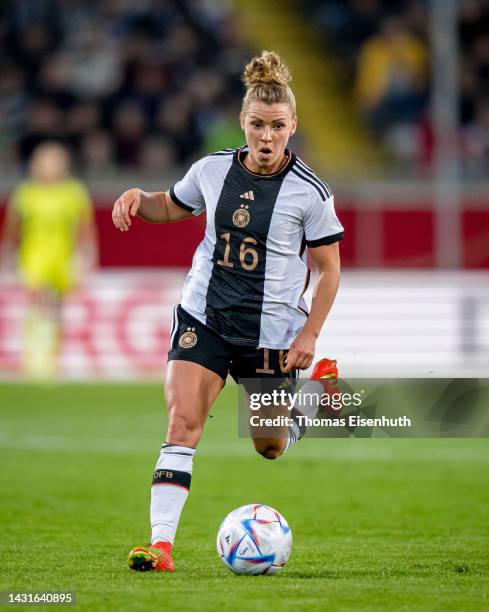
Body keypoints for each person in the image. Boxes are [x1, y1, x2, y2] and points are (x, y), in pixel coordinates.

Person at [112, 51, 343, 572]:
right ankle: (161, 545)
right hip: (205, 317)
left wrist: (309, 334)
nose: (266, 137)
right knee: (182, 424)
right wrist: (137, 197)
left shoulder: (310, 194)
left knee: (269, 446)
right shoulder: (212, 171)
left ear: (293, 127)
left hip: (271, 334)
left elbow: (329, 271)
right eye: (258, 125)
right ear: (243, 122)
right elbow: (170, 205)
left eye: (277, 127)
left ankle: (316, 396)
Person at [1, 142, 98, 378]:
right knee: (36, 304)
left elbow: (84, 229)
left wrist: (88, 257)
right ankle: (34, 358)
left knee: (56, 309)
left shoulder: (73, 192)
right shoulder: (27, 193)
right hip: (34, 257)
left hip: (62, 258)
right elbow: (13, 229)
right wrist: (7, 256)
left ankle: (52, 358)